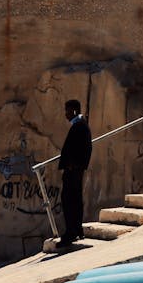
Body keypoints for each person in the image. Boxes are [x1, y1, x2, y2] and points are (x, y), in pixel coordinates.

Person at [58, 99, 92, 247]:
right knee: (74, 199)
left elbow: (85, 148)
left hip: (73, 171)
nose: (65, 114)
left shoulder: (80, 126)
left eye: (67, 110)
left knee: (69, 200)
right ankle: (77, 229)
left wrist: (75, 166)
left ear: (73, 110)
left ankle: (71, 232)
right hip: (75, 169)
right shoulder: (79, 125)